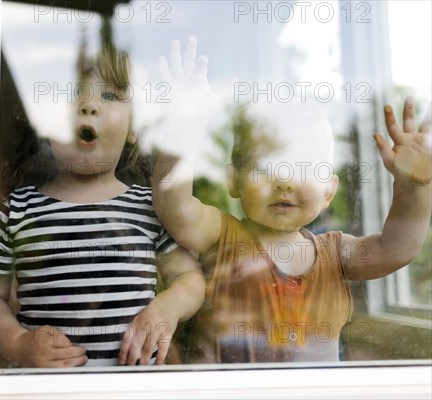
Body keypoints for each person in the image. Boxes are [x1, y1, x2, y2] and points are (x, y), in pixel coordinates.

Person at [151, 39, 431, 362]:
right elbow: (173, 205)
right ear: (233, 180)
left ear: (329, 191)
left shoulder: (337, 254)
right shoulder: (221, 236)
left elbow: (397, 248)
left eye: (303, 167)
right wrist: (184, 127)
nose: (284, 180)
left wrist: (414, 187)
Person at [0, 41, 205, 368]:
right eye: (72, 92)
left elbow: (190, 280)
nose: (89, 105)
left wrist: (166, 310)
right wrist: (18, 344)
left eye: (109, 96)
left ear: (134, 129)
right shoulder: (16, 211)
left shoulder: (148, 207)